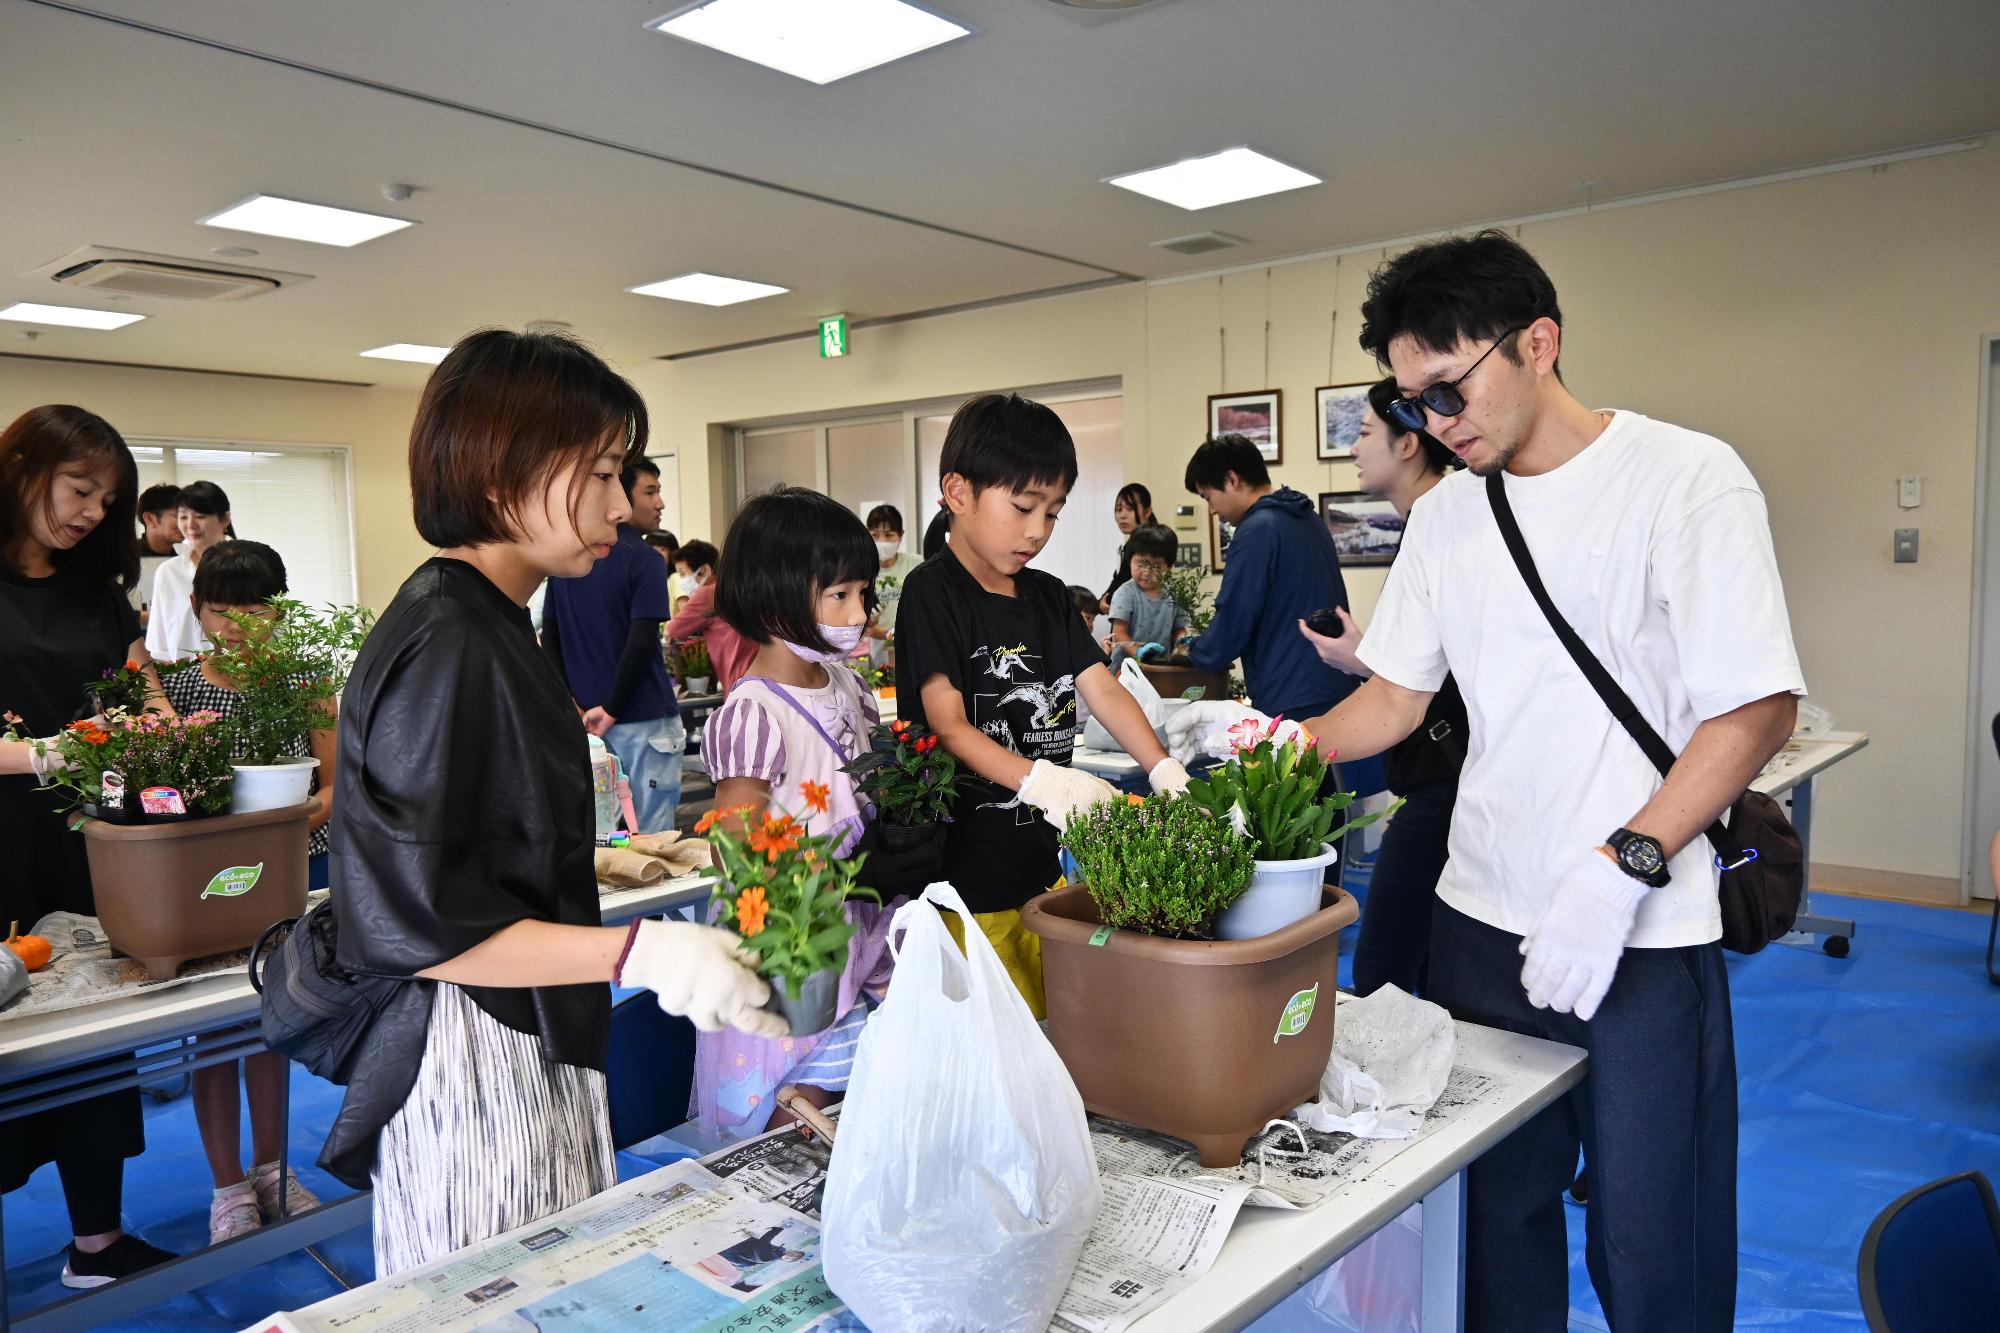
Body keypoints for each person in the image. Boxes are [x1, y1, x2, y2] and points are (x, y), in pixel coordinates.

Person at [1170, 230, 1802, 1332]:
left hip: (1636, 930)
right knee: (1491, 1229)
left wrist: (1623, 865)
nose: (1433, 421)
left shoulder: (1684, 479)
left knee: (1655, 1244)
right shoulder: (1451, 515)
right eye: (1410, 402)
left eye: (1447, 388)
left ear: (1538, 343)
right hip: (1479, 924)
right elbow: (1395, 698)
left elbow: (1752, 708)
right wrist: (1280, 744)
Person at [325, 329, 781, 1278]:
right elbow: (427, 925)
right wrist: (644, 948)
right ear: (504, 472)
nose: (623, 503)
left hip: (528, 1028)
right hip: (475, 1045)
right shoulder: (448, 641)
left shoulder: (494, 621)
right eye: (603, 473)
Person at [895, 394, 1190, 1014]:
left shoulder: (1050, 596)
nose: (1038, 530)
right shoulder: (933, 592)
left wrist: (1164, 769)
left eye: (1053, 514)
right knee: (992, 1048)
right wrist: (1040, 781)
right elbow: (947, 724)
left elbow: (1102, 688)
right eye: (1023, 507)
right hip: (965, 888)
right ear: (957, 491)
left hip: (1043, 872)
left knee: (1056, 1030)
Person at [0, 404, 175, 1287]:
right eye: (79, 489)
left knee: (94, 1037)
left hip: (89, 844)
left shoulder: (94, 594)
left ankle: (97, 1243)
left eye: (108, 500)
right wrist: (41, 751)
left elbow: (148, 694)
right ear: (22, 467)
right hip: (1, 847)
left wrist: (152, 724)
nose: (91, 512)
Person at [691, 487, 897, 1143]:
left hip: (865, 920)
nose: (858, 613)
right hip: (797, 938)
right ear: (771, 598)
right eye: (839, 595)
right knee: (798, 1080)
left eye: (864, 594)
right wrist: (801, 887)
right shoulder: (755, 710)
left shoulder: (850, 685)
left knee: (865, 1073)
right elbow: (738, 844)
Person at [157, 540, 333, 1241]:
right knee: (210, 1035)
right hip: (206, 881)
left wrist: (280, 830)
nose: (234, 624)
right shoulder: (178, 688)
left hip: (293, 870)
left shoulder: (304, 678)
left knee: (270, 1026)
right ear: (198, 610)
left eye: (251, 609)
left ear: (279, 611)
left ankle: (273, 1167)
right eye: (219, 609)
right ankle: (227, 1185)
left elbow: (333, 783)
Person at [1294, 379, 1468, 997]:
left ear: (1409, 445)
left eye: (1365, 433)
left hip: (1450, 783)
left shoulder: (1447, 524)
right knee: (1421, 968)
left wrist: (1284, 743)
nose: (1355, 449)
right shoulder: (1436, 525)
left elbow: (1436, 689)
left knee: (1385, 971)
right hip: (1439, 778)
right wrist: (1370, 661)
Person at [541, 457, 686, 833]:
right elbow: (640, 644)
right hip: (644, 722)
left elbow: (550, 640)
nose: (660, 503)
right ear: (619, 493)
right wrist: (613, 707)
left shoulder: (568, 560)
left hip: (588, 727)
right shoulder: (645, 560)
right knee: (653, 845)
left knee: (600, 842)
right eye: (650, 492)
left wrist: (573, 706)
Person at [1181, 434, 1357, 723]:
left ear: (1232, 479)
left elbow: (1235, 618)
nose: (1212, 509)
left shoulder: (1256, 530)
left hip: (1290, 693)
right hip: (1336, 681)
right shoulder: (1308, 518)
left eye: (1208, 496)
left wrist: (1194, 651)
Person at [145, 479, 233, 660]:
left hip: (239, 677)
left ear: (225, 519)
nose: (190, 525)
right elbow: (159, 643)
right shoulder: (168, 571)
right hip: (184, 680)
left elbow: (271, 629)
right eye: (183, 516)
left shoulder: (250, 565)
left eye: (200, 516)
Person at [665, 539, 757, 694]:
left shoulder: (708, 594)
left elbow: (671, 631)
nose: (681, 581)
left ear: (705, 570)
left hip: (739, 681)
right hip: (760, 676)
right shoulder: (740, 588)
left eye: (683, 573)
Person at [1105, 522, 1188, 669]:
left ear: (1169, 566)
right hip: (1125, 669)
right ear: (1129, 560)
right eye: (1141, 564)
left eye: (1156, 565)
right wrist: (1139, 652)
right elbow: (1119, 632)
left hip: (1160, 667)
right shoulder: (1126, 593)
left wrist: (1182, 642)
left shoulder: (1174, 594)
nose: (1147, 571)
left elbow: (1178, 629)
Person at [862, 503, 923, 674]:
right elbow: (861, 623)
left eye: (889, 535)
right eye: (875, 535)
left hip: (913, 651)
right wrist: (882, 633)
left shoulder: (916, 564)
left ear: (901, 535)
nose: (882, 542)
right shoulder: (862, 571)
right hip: (877, 657)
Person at [1098, 481, 1155, 610]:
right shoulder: (1134, 542)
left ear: (1147, 512)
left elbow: (1126, 582)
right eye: (1118, 509)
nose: (1123, 515)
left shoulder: (1148, 544)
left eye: (1130, 509)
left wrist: (1104, 601)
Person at [131, 481, 182, 620]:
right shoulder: (124, 560)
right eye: (178, 515)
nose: (186, 522)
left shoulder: (182, 564)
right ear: (149, 518)